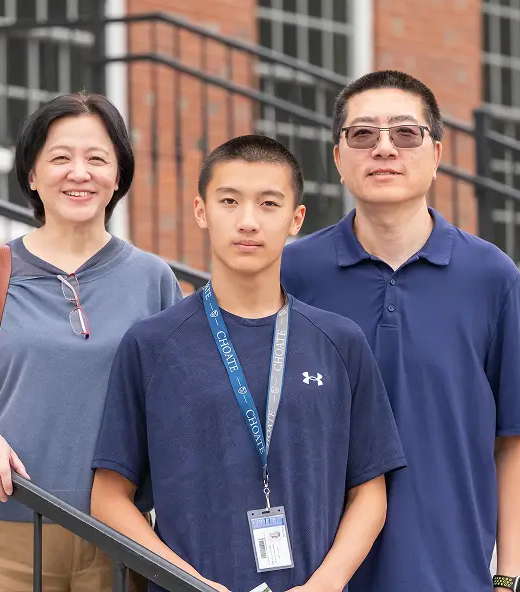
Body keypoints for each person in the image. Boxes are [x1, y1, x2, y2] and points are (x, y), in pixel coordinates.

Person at [90, 135, 406, 592]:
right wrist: (186, 582)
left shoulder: (339, 342)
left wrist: (327, 583)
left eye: (269, 203)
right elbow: (108, 496)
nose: (248, 221)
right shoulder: (151, 344)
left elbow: (370, 491)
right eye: (229, 201)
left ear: (296, 218)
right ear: (201, 210)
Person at [281, 70, 520, 592]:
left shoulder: (491, 276)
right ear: (338, 158)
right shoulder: (291, 273)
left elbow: (513, 439)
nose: (384, 148)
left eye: (406, 133)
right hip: (318, 576)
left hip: (451, 572)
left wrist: (510, 576)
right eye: (363, 134)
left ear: (437, 154)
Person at [0, 92, 182, 591]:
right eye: (61, 157)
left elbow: (178, 406)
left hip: (119, 535)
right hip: (9, 533)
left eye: (97, 159)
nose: (79, 173)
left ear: (118, 176)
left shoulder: (153, 279)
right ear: (32, 173)